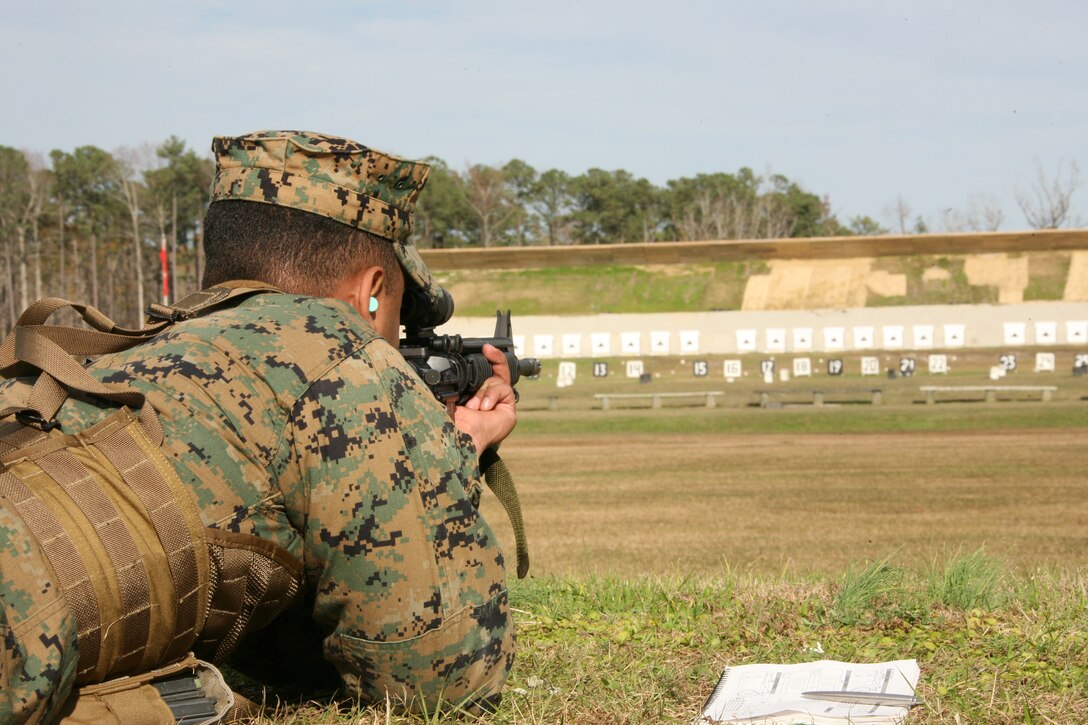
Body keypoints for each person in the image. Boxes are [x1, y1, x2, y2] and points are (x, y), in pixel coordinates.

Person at [0, 130, 517, 722]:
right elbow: (437, 677)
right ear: (373, 293)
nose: (395, 338)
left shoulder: (126, 356)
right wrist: (448, 460)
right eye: (398, 315)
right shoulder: (339, 351)